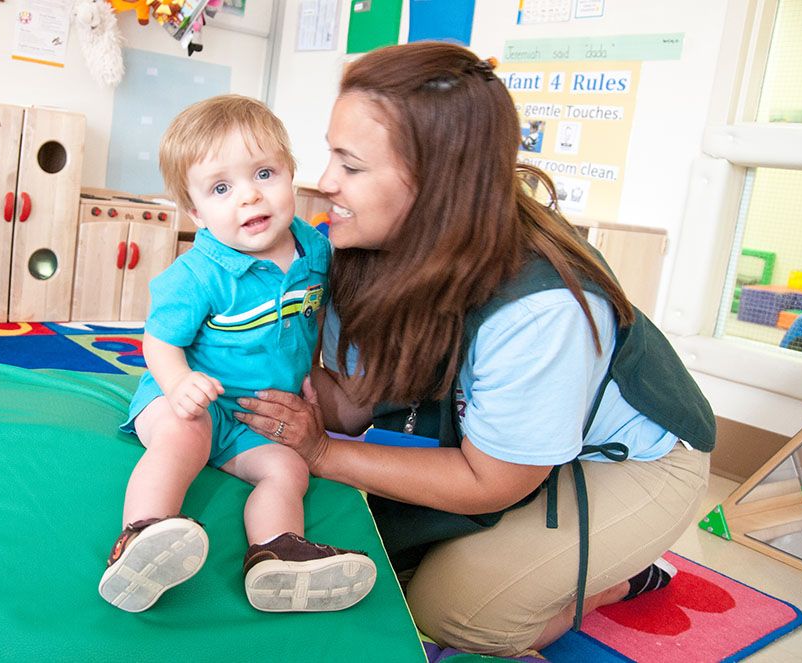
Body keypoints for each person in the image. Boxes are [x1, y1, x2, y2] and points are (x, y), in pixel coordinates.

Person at [234, 43, 714, 657]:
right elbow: (355, 402)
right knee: (348, 534)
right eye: (330, 154)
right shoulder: (357, 248)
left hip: (629, 463)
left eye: (350, 166)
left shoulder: (541, 308)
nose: (325, 183)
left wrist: (323, 453)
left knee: (450, 613)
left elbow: (493, 480)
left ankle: (622, 579)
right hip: (499, 442)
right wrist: (253, 356)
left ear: (434, 182)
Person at [98, 94, 377, 614]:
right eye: (222, 188)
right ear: (195, 211)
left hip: (256, 416)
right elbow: (159, 341)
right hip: (185, 399)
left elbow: (311, 320)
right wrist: (180, 384)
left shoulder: (315, 253)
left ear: (292, 175)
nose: (249, 197)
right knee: (187, 433)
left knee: (288, 470)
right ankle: (141, 535)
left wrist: (314, 372)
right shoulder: (198, 273)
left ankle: (275, 555)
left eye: (265, 173)